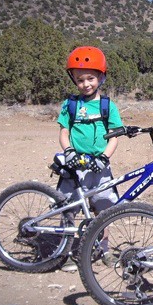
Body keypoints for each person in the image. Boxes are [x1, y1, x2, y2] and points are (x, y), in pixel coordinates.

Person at [57, 46, 124, 270]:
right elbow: (64, 131)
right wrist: (69, 152)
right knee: (68, 207)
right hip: (75, 164)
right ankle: (64, 251)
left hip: (99, 166)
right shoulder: (70, 105)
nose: (86, 84)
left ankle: (104, 249)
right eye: (80, 80)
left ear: (101, 77)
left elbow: (114, 137)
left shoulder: (107, 106)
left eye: (91, 78)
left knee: (104, 209)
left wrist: (104, 157)